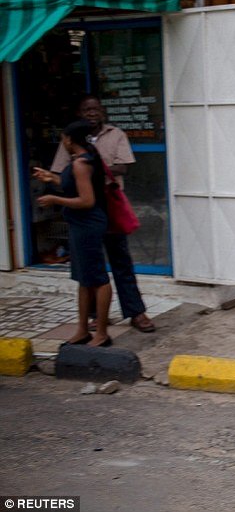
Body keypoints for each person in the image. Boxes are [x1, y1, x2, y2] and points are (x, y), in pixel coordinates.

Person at [51, 96, 155, 333]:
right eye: (86, 109)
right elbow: (60, 171)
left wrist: (91, 168)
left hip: (109, 204)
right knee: (89, 265)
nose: (91, 113)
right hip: (83, 209)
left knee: (121, 260)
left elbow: (123, 166)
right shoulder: (71, 138)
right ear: (80, 113)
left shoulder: (115, 134)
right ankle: (97, 316)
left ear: (102, 112)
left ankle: (136, 312)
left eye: (95, 109)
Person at [33, 121, 113, 347]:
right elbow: (75, 186)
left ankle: (101, 333)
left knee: (98, 279)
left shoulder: (81, 163)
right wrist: (52, 178)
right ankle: (82, 330)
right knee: (83, 278)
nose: (63, 143)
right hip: (79, 225)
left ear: (69, 140)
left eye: (63, 139)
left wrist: (55, 199)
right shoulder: (81, 160)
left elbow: (87, 200)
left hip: (88, 225)